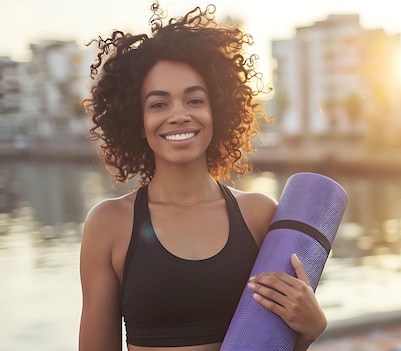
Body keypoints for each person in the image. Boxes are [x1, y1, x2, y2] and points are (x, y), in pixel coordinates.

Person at [78, 3, 327, 350]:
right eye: (158, 104)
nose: (179, 115)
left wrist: (308, 331)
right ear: (137, 120)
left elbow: (273, 343)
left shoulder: (259, 215)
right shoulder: (108, 224)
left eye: (194, 100)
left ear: (218, 110)